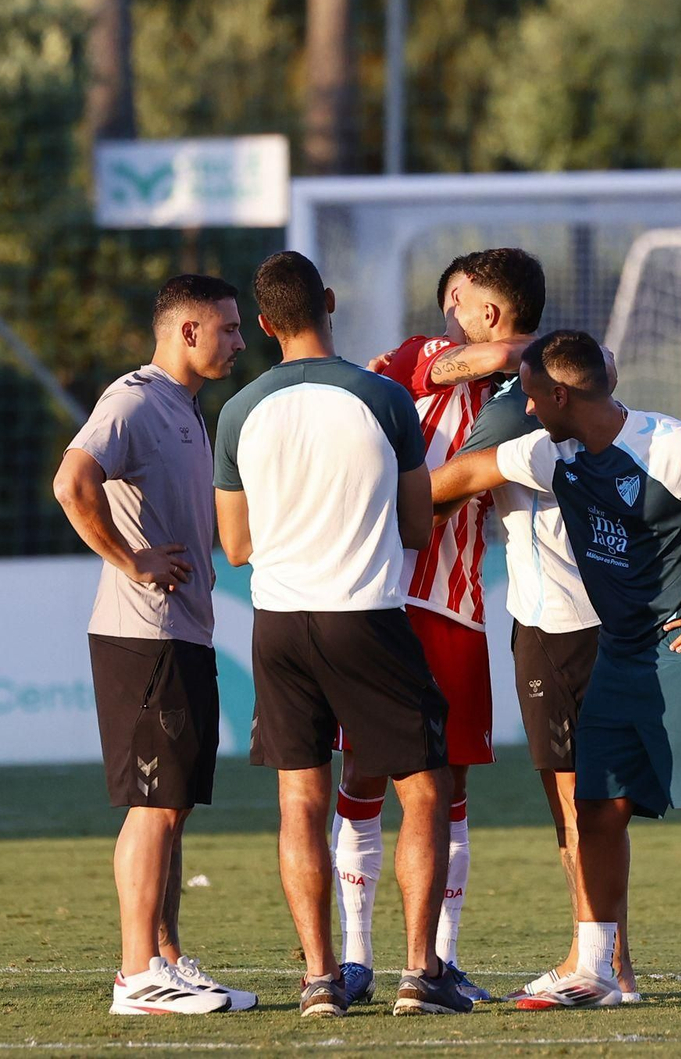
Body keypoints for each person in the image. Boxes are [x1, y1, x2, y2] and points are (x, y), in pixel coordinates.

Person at [432, 330, 681, 1010]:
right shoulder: (552, 451)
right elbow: (459, 477)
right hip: (619, 654)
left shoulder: (671, 444)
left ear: (558, 395)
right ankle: (599, 968)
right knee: (597, 809)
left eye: (526, 391)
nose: (521, 403)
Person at [212, 251, 471, 1019]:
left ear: (263, 325)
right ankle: (419, 972)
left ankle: (321, 978)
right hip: (365, 613)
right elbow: (421, 525)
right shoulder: (386, 397)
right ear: (329, 302)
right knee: (422, 789)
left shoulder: (238, 411)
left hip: (280, 622)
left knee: (301, 799)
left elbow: (235, 546)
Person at [330, 248, 543, 1006]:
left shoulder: (529, 390)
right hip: (379, 596)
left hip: (454, 604)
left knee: (448, 787)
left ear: (485, 306)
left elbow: (532, 363)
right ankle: (355, 956)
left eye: (459, 297)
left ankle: (436, 962)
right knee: (360, 775)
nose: (445, 309)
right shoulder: (421, 356)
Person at [52, 273, 254, 1016]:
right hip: (144, 635)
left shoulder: (187, 410)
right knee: (153, 803)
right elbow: (71, 482)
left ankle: (166, 956)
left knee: (173, 802)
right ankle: (136, 975)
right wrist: (130, 558)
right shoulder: (133, 398)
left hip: (184, 632)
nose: (239, 340)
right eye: (228, 328)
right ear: (188, 331)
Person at [445, 360, 642, 1003]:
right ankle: (611, 963)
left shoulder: (527, 439)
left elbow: (435, 489)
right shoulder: (603, 421)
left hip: (560, 631)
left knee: (576, 808)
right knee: (592, 808)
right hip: (585, 628)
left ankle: (598, 966)